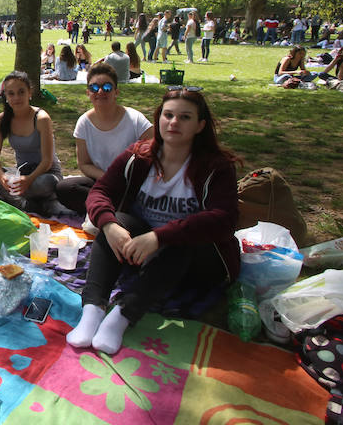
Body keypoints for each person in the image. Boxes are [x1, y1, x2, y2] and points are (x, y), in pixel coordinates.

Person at [67, 89, 240, 354]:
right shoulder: (139, 156)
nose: (173, 123)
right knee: (114, 222)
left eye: (184, 117)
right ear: (158, 120)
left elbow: (224, 219)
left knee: (183, 238)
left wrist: (160, 237)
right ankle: (92, 310)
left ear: (200, 125)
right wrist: (109, 224)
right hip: (144, 253)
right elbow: (101, 191)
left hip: (198, 261)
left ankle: (122, 315)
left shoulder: (216, 168)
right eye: (168, 115)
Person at [55, 63, 152, 212]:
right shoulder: (83, 123)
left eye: (107, 87)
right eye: (94, 88)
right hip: (103, 180)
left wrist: (124, 181)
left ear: (116, 92)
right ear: (88, 93)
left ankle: (106, 209)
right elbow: (84, 164)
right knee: (65, 188)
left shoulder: (135, 120)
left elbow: (157, 153)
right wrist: (108, 178)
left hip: (131, 184)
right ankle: (110, 208)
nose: (100, 91)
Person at [0, 71, 65, 215]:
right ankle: (28, 203)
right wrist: (2, 177)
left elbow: (47, 161)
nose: (16, 98)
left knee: (46, 184)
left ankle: (18, 200)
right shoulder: (2, 119)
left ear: (30, 93)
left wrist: (28, 180)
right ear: (5, 96)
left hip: (44, 174)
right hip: (21, 173)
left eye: (21, 92)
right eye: (11, 94)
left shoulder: (41, 118)